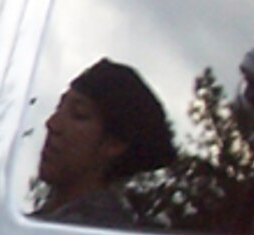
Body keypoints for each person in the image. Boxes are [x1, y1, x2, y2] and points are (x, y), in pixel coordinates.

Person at [34, 58, 174, 225]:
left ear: (114, 144)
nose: (52, 124)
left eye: (79, 114)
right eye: (59, 107)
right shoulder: (34, 223)